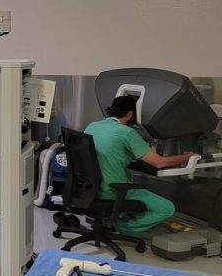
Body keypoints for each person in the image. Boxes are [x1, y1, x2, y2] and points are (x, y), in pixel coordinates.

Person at [84, 95, 196, 234]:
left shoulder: (92, 126)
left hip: (88, 189)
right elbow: (159, 163)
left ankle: (117, 219)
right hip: (113, 191)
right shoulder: (127, 133)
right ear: (130, 114)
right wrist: (187, 157)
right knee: (167, 208)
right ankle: (119, 226)